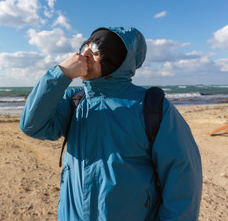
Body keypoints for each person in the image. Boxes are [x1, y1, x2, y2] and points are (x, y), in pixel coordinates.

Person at [20, 27, 202, 220]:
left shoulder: (152, 107)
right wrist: (61, 74)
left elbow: (183, 181)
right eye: (85, 48)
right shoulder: (75, 101)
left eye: (96, 51)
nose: (85, 55)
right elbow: (32, 125)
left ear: (117, 60)